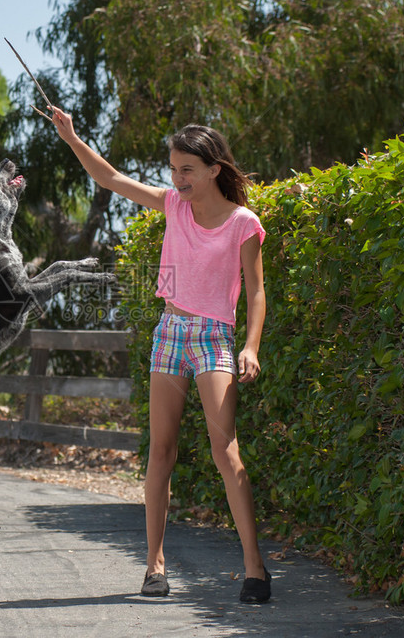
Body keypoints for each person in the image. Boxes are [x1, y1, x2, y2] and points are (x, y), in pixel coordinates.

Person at [51, 108, 271, 604]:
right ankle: (154, 568)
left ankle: (255, 568)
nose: (177, 179)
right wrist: (71, 137)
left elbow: (256, 294)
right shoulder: (172, 206)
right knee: (161, 452)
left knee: (224, 449)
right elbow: (108, 177)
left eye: (186, 169)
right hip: (170, 333)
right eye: (173, 169)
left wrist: (251, 345)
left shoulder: (243, 224)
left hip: (214, 337)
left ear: (215, 168)